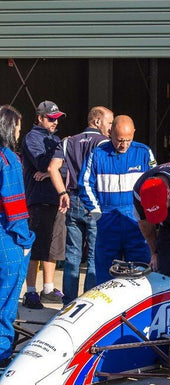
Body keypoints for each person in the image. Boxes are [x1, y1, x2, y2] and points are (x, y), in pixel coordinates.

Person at [78, 114, 157, 284]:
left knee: (140, 272)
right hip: (107, 219)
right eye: (120, 140)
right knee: (105, 272)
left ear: (134, 133)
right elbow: (85, 184)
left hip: (136, 221)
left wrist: (150, 215)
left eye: (128, 140)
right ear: (110, 133)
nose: (124, 145)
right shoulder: (97, 154)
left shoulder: (143, 152)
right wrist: (96, 212)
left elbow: (155, 184)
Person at [48, 106, 113, 305]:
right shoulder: (104, 143)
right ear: (97, 121)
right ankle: (87, 304)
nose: (111, 128)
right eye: (109, 122)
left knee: (72, 255)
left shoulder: (68, 141)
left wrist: (62, 193)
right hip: (95, 201)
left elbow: (52, 168)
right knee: (94, 255)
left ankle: (69, 302)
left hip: (73, 198)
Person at [20, 100, 66, 309]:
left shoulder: (55, 140)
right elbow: (42, 163)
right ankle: (31, 291)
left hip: (56, 199)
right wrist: (53, 167)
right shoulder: (32, 138)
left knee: (54, 246)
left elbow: (66, 168)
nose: (55, 122)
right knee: (36, 246)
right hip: (38, 200)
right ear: (40, 118)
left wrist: (50, 172)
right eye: (51, 118)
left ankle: (48, 288)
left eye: (57, 119)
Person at [0, 105, 35, 367]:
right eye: (18, 128)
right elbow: (15, 207)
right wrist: (25, 241)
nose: (19, 133)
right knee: (6, 302)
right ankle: (2, 354)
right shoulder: (8, 160)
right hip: (7, 239)